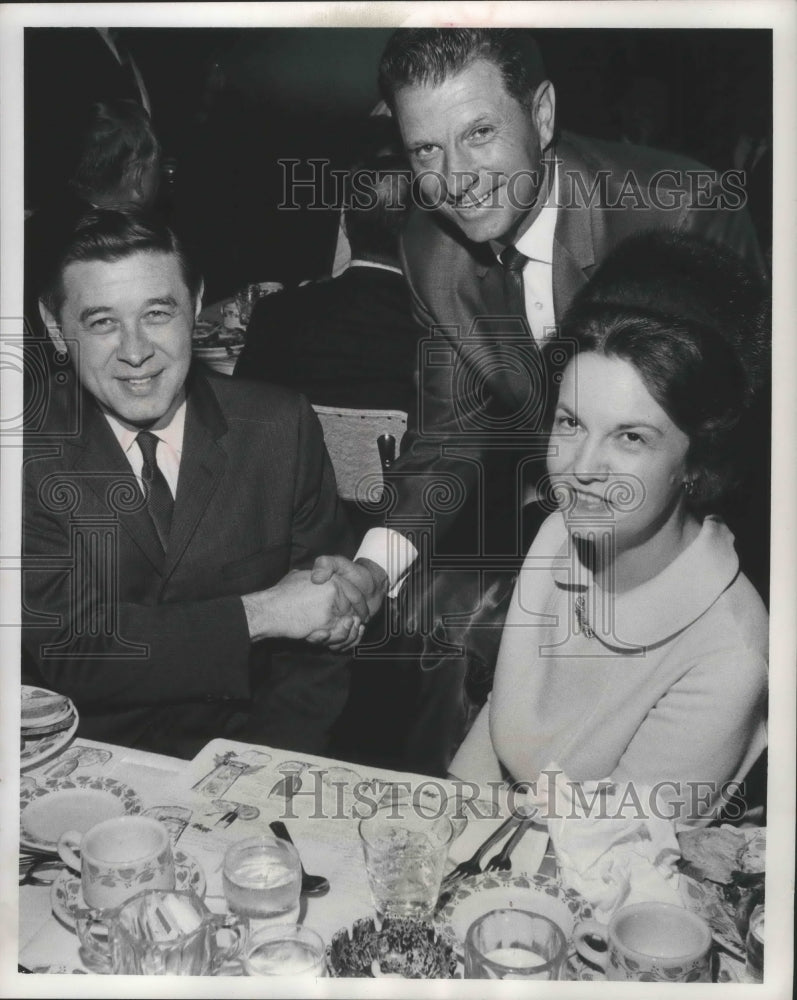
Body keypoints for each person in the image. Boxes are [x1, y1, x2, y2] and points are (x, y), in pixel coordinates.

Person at [309, 27, 767, 775]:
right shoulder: (429, 250)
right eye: (425, 150)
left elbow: (748, 431)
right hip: (564, 539)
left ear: (543, 115)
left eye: (479, 133)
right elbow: (445, 437)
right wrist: (369, 570)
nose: (454, 178)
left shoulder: (681, 212)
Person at [448, 232, 768, 824]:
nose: (580, 469)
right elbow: (498, 726)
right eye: (570, 423)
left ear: (697, 465)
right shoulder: (556, 535)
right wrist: (443, 825)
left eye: (630, 437)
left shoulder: (729, 653)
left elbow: (615, 852)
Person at [22, 209, 365, 759]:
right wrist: (266, 612)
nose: (135, 351)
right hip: (83, 769)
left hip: (253, 756)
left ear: (196, 302)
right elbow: (75, 653)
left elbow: (321, 643)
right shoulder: (26, 457)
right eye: (102, 322)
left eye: (157, 313)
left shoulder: (280, 427)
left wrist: (267, 771)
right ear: (54, 326)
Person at [234, 154, 421, 413]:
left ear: (344, 224)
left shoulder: (273, 313)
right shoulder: (435, 333)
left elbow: (242, 416)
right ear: (424, 236)